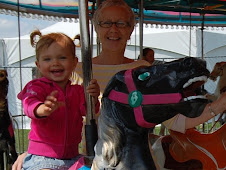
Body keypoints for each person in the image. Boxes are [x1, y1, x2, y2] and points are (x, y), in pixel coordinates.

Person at [12, 0, 226, 169]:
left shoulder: (142, 71)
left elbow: (174, 120)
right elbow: (47, 116)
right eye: (106, 22)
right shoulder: (75, 71)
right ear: (96, 27)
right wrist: (35, 155)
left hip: (138, 157)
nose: (114, 29)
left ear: (131, 29)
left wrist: (218, 106)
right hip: (88, 159)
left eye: (121, 23)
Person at [15, 30, 100, 170]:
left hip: (72, 157)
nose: (55, 63)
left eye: (62, 58)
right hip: (42, 157)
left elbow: (88, 111)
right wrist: (41, 108)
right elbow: (29, 104)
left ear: (74, 63)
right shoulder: (37, 87)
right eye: (47, 59)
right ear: (39, 65)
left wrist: (93, 97)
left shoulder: (78, 91)